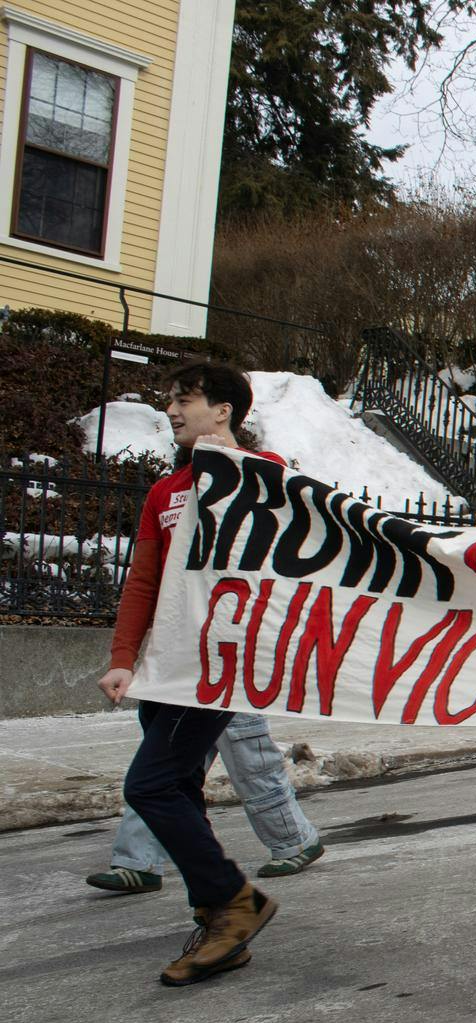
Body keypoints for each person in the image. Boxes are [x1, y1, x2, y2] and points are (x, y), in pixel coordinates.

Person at [96, 363, 285, 986]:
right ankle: (218, 921)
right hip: (166, 667)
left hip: (219, 665)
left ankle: (234, 902)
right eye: (169, 401)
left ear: (224, 409)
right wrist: (124, 659)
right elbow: (144, 580)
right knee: (176, 788)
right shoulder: (165, 493)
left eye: (186, 400)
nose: (172, 411)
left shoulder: (272, 475)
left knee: (148, 787)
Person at [86, 713, 324, 892]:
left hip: (230, 672)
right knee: (164, 773)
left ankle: (295, 841)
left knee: (251, 764)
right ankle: (138, 859)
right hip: (188, 680)